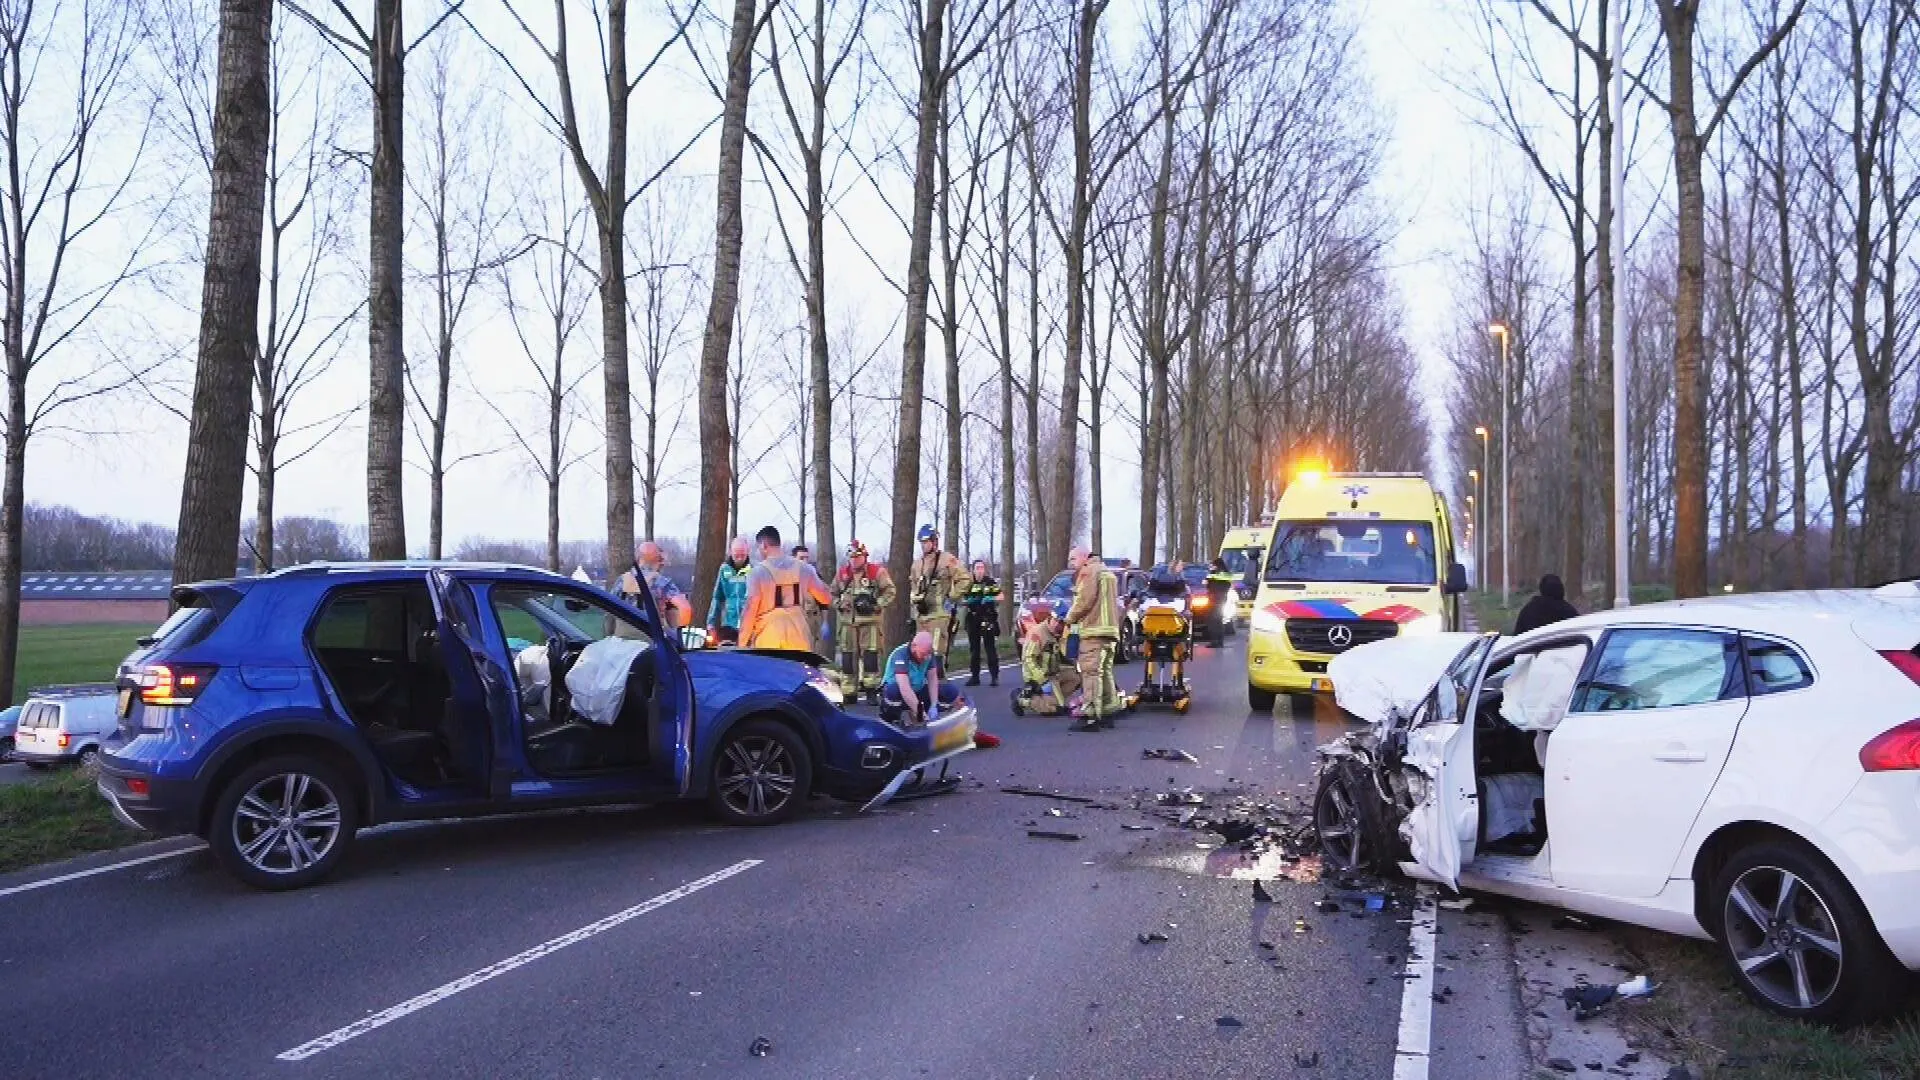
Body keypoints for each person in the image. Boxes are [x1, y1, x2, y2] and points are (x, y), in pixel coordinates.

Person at [739, 525, 833, 651]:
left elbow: (750, 609)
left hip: (769, 636)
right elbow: (826, 598)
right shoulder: (805, 569)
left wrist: (742, 643)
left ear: (764, 545)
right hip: (799, 635)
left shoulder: (757, 573)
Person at [1064, 546, 1126, 731]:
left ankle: (1090, 715)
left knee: (1090, 672)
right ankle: (1108, 710)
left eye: (1073, 559)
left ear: (1084, 557)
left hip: (1093, 630)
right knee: (1104, 671)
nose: (1072, 564)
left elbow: (1084, 600)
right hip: (1110, 631)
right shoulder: (1106, 572)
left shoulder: (1088, 571)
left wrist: (1069, 619)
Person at [831, 541, 896, 694]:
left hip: (870, 623)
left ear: (865, 556)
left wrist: (877, 605)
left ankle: (871, 690)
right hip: (848, 623)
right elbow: (831, 593)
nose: (854, 560)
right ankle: (848, 691)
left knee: (870, 657)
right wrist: (839, 604)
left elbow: (890, 591)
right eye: (851, 557)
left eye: (857, 556)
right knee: (847, 658)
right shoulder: (842, 574)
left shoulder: (876, 572)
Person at [909, 524, 967, 658]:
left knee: (936, 655)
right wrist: (914, 599)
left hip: (939, 616)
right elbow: (913, 586)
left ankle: (937, 678)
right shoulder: (917, 564)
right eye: (921, 542)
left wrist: (952, 596)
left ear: (934, 541)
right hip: (921, 616)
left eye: (926, 542)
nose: (923, 545)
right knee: (920, 655)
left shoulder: (946, 559)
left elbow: (965, 578)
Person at [1014, 599, 1081, 715]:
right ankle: (1022, 699)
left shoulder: (1059, 634)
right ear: (1051, 617)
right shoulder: (1038, 633)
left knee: (1077, 678)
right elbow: (1028, 659)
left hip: (1053, 674)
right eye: (1058, 621)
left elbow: (1066, 654)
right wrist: (1041, 678)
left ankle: (1052, 700)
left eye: (1063, 623)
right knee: (1053, 710)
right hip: (1039, 677)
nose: (1059, 626)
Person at [881, 631, 960, 727]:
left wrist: (934, 705)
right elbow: (904, 688)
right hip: (899, 693)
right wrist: (920, 713)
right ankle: (893, 722)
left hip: (917, 689)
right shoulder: (900, 655)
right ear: (914, 646)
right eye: (923, 654)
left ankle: (947, 722)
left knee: (949, 690)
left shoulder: (928, 653)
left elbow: (932, 679)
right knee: (893, 691)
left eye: (928, 654)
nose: (926, 658)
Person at [613, 540, 694, 632]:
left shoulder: (622, 580)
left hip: (622, 640)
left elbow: (609, 609)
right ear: (659, 560)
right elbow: (685, 609)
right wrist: (677, 636)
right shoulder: (662, 582)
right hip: (651, 641)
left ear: (638, 558)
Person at [961, 559, 1002, 687]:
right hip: (973, 618)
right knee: (974, 649)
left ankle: (994, 677)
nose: (980, 570)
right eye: (977, 567)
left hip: (987, 618)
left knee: (990, 648)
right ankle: (975, 677)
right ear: (972, 569)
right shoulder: (968, 583)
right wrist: (969, 601)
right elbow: (961, 598)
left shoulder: (989, 582)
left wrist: (990, 598)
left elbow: (1001, 597)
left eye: (982, 568)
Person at [707, 537, 752, 645]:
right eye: (737, 555)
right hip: (728, 625)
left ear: (748, 551)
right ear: (731, 552)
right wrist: (711, 623)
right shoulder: (724, 569)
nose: (740, 559)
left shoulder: (754, 570)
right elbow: (717, 597)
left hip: (748, 625)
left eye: (743, 555)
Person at [1514, 574, 1581, 635]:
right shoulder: (1568, 611)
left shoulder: (1528, 610)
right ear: (1561, 589)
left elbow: (1517, 637)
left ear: (1541, 588)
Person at [792, 544, 828, 651]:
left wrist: (825, 623)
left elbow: (823, 603)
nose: (805, 561)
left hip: (811, 620)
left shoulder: (815, 577)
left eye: (807, 558)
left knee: (810, 653)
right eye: (801, 558)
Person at [1204, 558, 1234, 646]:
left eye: (1213, 565)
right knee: (1218, 620)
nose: (1212, 567)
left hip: (1216, 599)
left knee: (1214, 620)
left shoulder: (1218, 574)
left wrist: (1212, 573)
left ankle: (1215, 641)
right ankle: (1219, 641)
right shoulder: (1226, 574)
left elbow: (1207, 583)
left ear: (1217, 565)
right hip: (1220, 599)